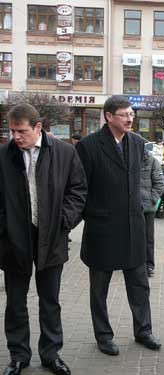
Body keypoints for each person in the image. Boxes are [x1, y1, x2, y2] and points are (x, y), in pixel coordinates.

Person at [0, 103, 87, 375]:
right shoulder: (4, 155)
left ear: (38, 127)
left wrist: (64, 221)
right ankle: (18, 355)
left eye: (21, 131)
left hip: (52, 236)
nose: (16, 136)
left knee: (50, 300)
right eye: (12, 130)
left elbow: (78, 190)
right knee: (15, 301)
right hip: (14, 239)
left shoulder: (64, 152)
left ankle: (51, 354)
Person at [76, 96, 161, 356]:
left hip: (133, 228)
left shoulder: (137, 144)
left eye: (131, 114)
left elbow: (143, 179)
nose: (130, 118)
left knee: (139, 285)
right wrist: (92, 214)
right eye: (124, 114)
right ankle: (103, 336)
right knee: (99, 289)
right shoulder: (89, 146)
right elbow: (79, 188)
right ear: (109, 116)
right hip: (102, 229)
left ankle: (143, 331)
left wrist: (143, 203)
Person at [140, 148, 164, 277]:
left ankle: (149, 265)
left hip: (147, 208)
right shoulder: (127, 159)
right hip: (130, 207)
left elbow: (160, 183)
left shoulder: (152, 161)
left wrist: (151, 200)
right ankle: (131, 263)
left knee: (148, 238)